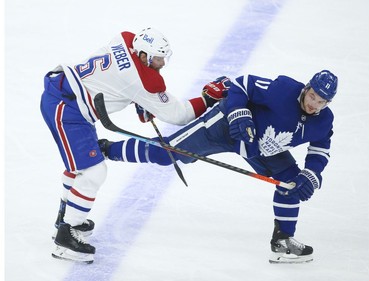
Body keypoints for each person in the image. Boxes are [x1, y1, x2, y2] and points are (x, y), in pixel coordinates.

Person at [99, 70, 338, 264]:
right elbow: (243, 85)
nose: (314, 105)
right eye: (313, 97)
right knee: (166, 154)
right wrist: (239, 114)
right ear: (307, 89)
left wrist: (311, 174)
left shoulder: (324, 121)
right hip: (225, 127)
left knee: (291, 182)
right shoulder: (284, 89)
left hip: (259, 148)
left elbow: (320, 149)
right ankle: (106, 149)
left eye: (322, 102)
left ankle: (283, 240)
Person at [40, 27, 227, 263]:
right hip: (67, 108)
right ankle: (67, 235)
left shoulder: (124, 39)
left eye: (163, 58)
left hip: (65, 95)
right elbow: (179, 114)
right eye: (157, 59)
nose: (161, 64)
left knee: (80, 167)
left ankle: (65, 219)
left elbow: (117, 80)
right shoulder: (144, 82)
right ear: (143, 55)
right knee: (93, 171)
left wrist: (135, 99)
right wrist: (208, 98)